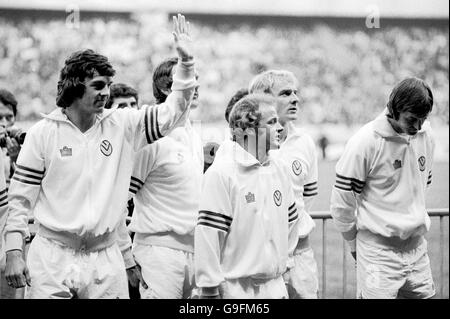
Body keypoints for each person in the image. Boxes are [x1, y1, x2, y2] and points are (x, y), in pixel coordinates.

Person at [2, 14, 197, 299]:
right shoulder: (42, 134)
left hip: (105, 259)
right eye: (98, 85)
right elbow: (20, 200)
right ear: (74, 85)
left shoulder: (124, 126)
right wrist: (14, 251)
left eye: (108, 85)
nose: (106, 92)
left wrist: (187, 64)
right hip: (52, 257)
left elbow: (173, 113)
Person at [330, 77, 435, 299]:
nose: (417, 127)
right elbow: (342, 203)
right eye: (412, 119)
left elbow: (423, 185)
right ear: (394, 109)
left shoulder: (427, 135)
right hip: (378, 252)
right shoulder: (365, 141)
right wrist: (353, 245)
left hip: (417, 249)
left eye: (423, 119)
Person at [195, 94, 300, 299]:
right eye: (271, 122)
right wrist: (209, 289)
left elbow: (291, 224)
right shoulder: (222, 173)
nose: (280, 127)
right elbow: (209, 235)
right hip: (236, 290)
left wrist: (284, 268)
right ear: (248, 129)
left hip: (276, 286)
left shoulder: (280, 169)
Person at [127, 56, 203, 299]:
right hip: (159, 253)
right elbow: (119, 198)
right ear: (165, 88)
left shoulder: (192, 133)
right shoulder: (150, 138)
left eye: (196, 79)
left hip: (194, 252)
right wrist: (125, 255)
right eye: (189, 79)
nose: (196, 85)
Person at [249, 70, 319, 299]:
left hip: (300, 256)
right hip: (261, 258)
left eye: (296, 93)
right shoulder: (247, 143)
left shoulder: (305, 143)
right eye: (286, 93)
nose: (295, 99)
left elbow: (306, 195)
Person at [0, 89, 24, 188]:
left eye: (9, 117)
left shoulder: (20, 142)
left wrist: (17, 157)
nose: (4, 123)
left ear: (15, 117)